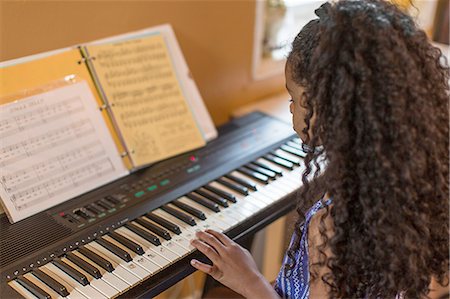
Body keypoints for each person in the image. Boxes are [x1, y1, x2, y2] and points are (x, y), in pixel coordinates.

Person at [190, 0, 449, 298]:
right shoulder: (424, 178)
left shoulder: (336, 225)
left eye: (295, 98)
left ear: (328, 108)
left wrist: (250, 279)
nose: (291, 109)